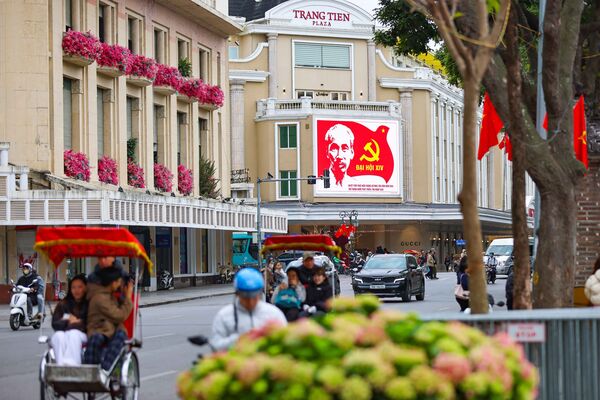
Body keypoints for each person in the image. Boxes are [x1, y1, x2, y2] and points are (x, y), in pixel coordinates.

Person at [209, 268, 287, 351]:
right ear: (237, 294)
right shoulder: (224, 316)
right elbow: (215, 345)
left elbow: (286, 341)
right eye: (245, 297)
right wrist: (236, 340)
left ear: (260, 294)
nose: (250, 301)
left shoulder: (273, 313)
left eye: (254, 296)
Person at [84, 267, 133, 372]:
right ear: (112, 282)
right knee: (119, 336)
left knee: (121, 334)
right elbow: (119, 315)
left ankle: (105, 368)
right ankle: (104, 369)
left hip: (107, 329)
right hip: (99, 329)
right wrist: (128, 298)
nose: (119, 284)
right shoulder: (101, 297)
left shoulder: (109, 295)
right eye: (118, 282)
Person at [51, 274, 88, 366]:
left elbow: (91, 322)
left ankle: (73, 364)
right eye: (73, 287)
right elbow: (55, 323)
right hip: (64, 332)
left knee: (73, 334)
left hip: (83, 334)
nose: (76, 290)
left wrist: (78, 322)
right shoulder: (63, 304)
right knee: (58, 336)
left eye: (80, 287)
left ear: (85, 288)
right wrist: (68, 321)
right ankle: (60, 365)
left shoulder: (90, 303)